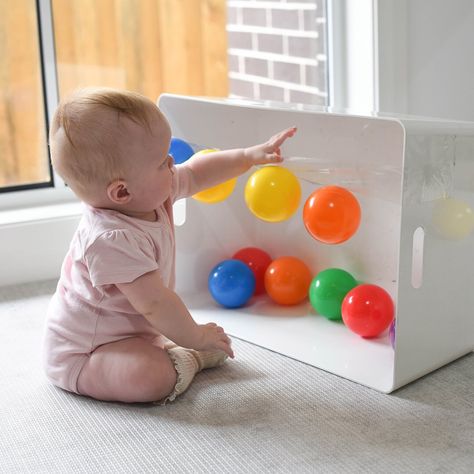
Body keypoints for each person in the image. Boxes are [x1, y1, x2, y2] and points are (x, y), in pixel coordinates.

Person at [43, 87, 296, 404]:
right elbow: (156, 304)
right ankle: (189, 356)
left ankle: (176, 348)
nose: (173, 162)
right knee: (151, 376)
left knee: (155, 346)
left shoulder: (150, 192)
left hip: (134, 334)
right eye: (162, 162)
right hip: (86, 353)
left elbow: (197, 172)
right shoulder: (109, 239)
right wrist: (197, 336)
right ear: (122, 192)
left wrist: (247, 157)